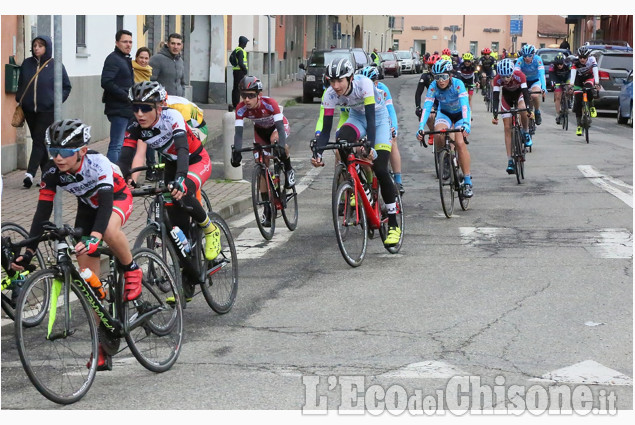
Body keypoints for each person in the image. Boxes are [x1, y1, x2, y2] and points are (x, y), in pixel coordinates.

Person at [11, 118, 141, 371]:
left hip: (115, 198)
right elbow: (41, 214)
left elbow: (105, 206)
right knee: (88, 281)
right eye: (53, 151)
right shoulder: (51, 172)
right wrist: (28, 253)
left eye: (65, 152)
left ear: (82, 151)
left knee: (110, 231)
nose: (58, 158)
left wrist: (95, 237)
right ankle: (102, 347)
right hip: (87, 207)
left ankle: (132, 267)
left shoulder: (98, 164)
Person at [118, 82, 221, 277]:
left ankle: (210, 228)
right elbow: (125, 155)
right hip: (172, 163)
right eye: (135, 107)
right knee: (177, 228)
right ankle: (186, 280)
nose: (140, 113)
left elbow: (183, 148)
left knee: (184, 191)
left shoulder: (172, 116)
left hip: (195, 160)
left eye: (146, 108)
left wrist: (181, 178)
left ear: (158, 107)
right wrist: (124, 179)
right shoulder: (135, 126)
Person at [312, 58, 401, 246]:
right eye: (332, 81)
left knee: (380, 167)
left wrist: (369, 145)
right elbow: (326, 128)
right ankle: (356, 183)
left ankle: (393, 223)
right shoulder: (329, 94)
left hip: (378, 119)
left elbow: (371, 117)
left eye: (340, 81)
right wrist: (318, 151)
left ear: (351, 78)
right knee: (341, 140)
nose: (335, 86)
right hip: (356, 118)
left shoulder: (365, 85)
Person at [230, 76, 294, 226]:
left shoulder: (270, 104)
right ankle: (267, 208)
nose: (246, 99)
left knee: (276, 141)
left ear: (259, 95)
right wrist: (236, 152)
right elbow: (238, 133)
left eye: (251, 95)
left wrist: (280, 145)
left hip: (278, 128)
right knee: (261, 165)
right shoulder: (241, 108)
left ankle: (289, 170)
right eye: (244, 95)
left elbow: (279, 127)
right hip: (260, 132)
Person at [16, 35, 72, 188]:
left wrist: (56, 102)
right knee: (38, 142)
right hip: (29, 110)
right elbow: (21, 83)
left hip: (47, 110)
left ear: (47, 47)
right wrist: (20, 97)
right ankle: (48, 176)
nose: (36, 48)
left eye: (40, 45)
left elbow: (66, 86)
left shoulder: (56, 65)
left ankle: (29, 174)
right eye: (34, 45)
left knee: (39, 141)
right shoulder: (27, 64)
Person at [416, 59, 473, 198]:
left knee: (460, 143)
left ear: (450, 75)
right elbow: (428, 106)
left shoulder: (458, 84)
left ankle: (467, 181)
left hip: (460, 115)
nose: (441, 81)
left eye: (444, 77)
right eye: (437, 77)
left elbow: (465, 105)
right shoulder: (433, 86)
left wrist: (466, 123)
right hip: (445, 113)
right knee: (438, 134)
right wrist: (421, 127)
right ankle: (445, 160)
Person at [358, 66, 404, 195]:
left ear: (376, 82)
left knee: (393, 143)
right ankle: (368, 181)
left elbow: (391, 111)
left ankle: (398, 180)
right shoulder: (359, 90)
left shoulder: (383, 89)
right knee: (361, 149)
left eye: (371, 81)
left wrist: (393, 128)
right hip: (366, 123)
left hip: (382, 121)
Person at [490, 59, 534, 174]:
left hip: (519, 95)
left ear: (512, 73)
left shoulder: (520, 75)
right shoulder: (497, 79)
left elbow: (525, 93)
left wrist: (529, 109)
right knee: (507, 128)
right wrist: (495, 114)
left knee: (522, 108)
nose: (505, 79)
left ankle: (525, 132)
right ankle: (510, 160)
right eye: (503, 77)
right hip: (506, 98)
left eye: (508, 76)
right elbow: (495, 97)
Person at [101, 29, 134, 163]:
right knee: (116, 145)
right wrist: (125, 95)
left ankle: (122, 174)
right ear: (117, 43)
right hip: (118, 108)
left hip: (126, 108)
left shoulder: (124, 59)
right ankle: (112, 176)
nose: (128, 45)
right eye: (125, 42)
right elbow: (106, 81)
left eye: (130, 42)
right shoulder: (113, 59)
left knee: (126, 144)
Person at [131, 46, 158, 180]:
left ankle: (151, 169)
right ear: (136, 58)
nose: (143, 61)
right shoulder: (132, 70)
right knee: (135, 142)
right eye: (141, 57)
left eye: (146, 58)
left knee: (149, 139)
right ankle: (132, 171)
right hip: (135, 110)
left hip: (146, 110)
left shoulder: (148, 72)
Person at [568, 46, 600, 136]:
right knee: (578, 102)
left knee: (589, 89)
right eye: (580, 57)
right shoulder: (575, 62)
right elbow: (573, 74)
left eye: (584, 58)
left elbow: (595, 70)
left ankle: (592, 106)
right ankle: (579, 125)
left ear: (588, 57)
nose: (582, 59)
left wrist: (597, 82)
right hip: (578, 80)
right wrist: (571, 85)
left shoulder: (592, 59)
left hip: (588, 78)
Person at [514, 44, 546, 126]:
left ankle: (537, 111)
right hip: (524, 82)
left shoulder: (538, 59)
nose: (527, 58)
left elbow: (542, 74)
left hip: (535, 80)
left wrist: (544, 87)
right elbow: (515, 73)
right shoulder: (520, 60)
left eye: (529, 56)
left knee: (535, 95)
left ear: (533, 55)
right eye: (525, 56)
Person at [549, 53, 572, 125]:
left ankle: (569, 100)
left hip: (567, 78)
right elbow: (551, 76)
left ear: (564, 62)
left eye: (561, 64)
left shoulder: (568, 65)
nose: (559, 66)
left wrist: (570, 85)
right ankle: (558, 114)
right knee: (558, 96)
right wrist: (553, 84)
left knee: (570, 88)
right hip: (557, 79)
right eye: (558, 64)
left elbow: (572, 74)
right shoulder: (552, 66)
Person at [231, 36, 249, 109]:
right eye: (246, 43)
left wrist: (235, 65)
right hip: (239, 71)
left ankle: (235, 104)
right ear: (243, 43)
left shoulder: (236, 50)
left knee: (236, 88)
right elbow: (241, 63)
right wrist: (245, 70)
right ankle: (236, 105)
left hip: (236, 71)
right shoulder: (241, 51)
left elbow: (231, 59)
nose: (246, 45)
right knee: (238, 89)